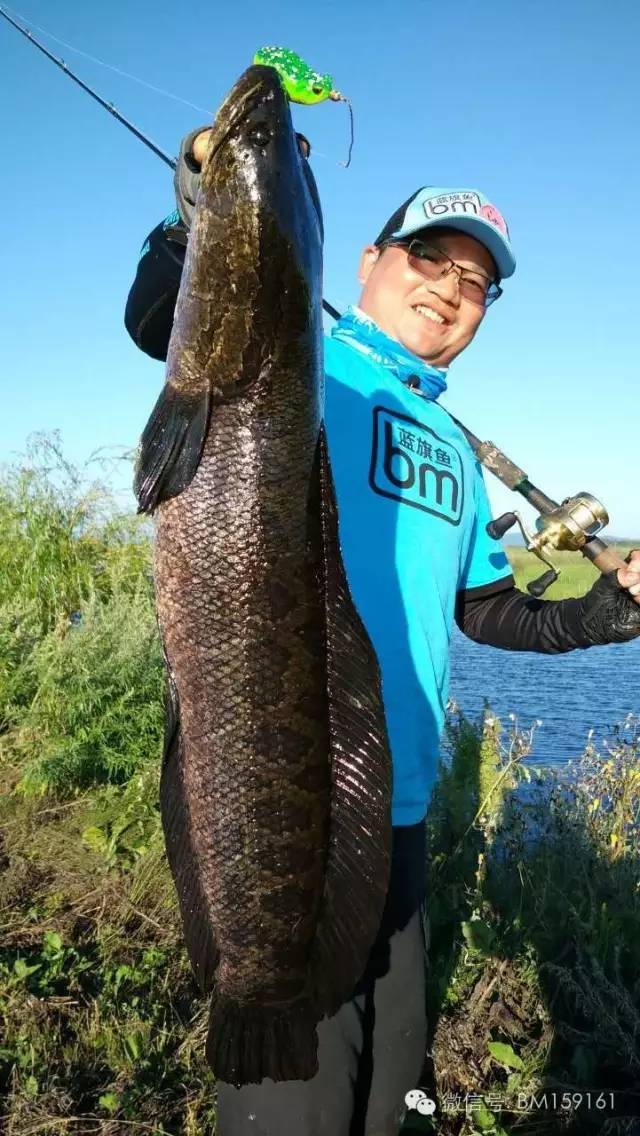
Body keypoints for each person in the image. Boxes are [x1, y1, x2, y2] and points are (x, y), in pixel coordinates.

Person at [125, 127, 640, 1136]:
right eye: (428, 257)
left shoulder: (450, 439)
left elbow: (484, 607)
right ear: (366, 262)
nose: (450, 289)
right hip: (273, 792)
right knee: (287, 1082)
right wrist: (207, 191)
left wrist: (613, 606)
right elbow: (167, 315)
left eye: (477, 283)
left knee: (388, 1093)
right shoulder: (301, 360)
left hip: (397, 810)